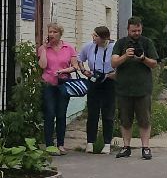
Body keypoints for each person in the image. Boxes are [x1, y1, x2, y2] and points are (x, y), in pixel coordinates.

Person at [111, 16, 160, 160]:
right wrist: (126, 56)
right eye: (133, 31)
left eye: (138, 30)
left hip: (143, 88)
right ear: (128, 30)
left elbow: (154, 63)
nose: (136, 33)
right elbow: (114, 63)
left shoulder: (147, 42)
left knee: (144, 119)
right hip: (124, 88)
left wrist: (143, 58)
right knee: (125, 119)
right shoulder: (121, 43)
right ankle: (126, 147)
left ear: (141, 28)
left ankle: (146, 147)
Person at [37, 23, 80, 154]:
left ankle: (61, 144)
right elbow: (42, 65)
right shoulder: (43, 48)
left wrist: (63, 70)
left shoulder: (69, 48)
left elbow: (75, 66)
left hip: (63, 83)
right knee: (49, 114)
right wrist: (44, 48)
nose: (51, 34)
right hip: (48, 84)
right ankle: (49, 145)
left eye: (54, 32)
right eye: (50, 32)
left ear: (60, 33)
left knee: (61, 114)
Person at [78, 25, 117, 154]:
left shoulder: (114, 47)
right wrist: (84, 71)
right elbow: (79, 59)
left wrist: (112, 74)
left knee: (108, 113)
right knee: (93, 112)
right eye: (93, 35)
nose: (93, 38)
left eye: (96, 36)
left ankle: (107, 143)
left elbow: (122, 64)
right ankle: (90, 142)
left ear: (104, 38)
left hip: (109, 81)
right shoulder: (89, 46)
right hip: (94, 80)